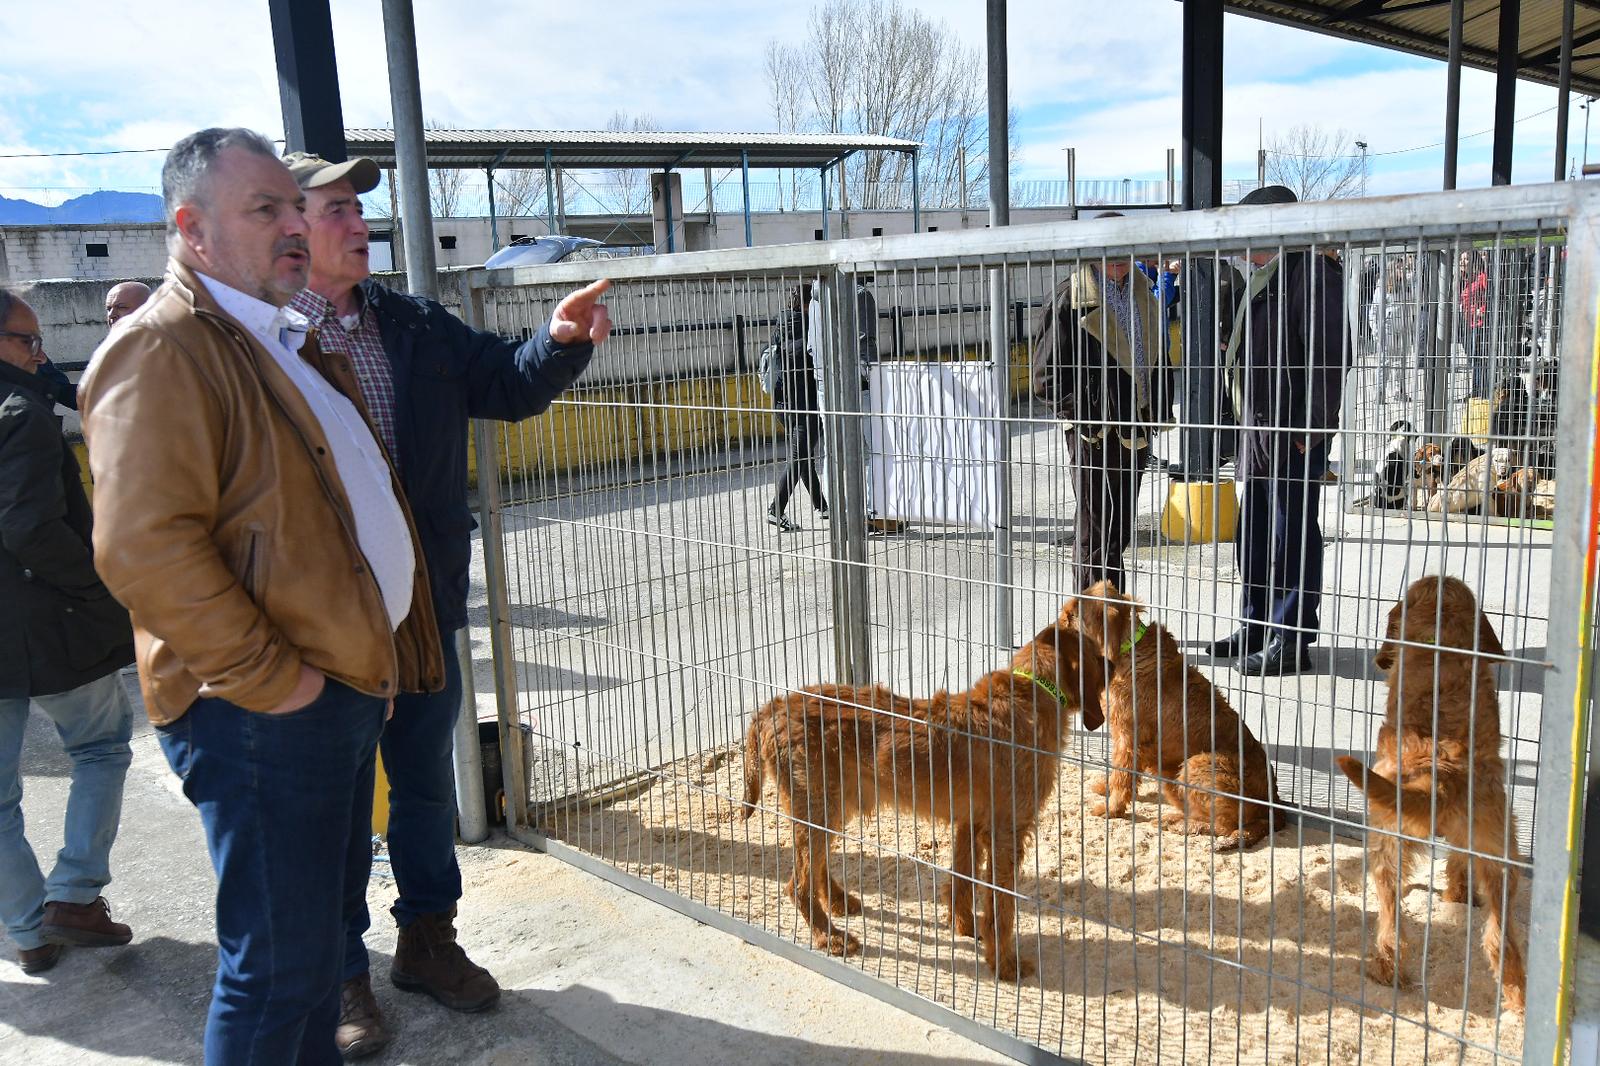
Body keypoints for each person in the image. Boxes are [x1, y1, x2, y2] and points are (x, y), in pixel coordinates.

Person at [79, 127, 453, 1063]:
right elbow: (142, 546)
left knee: (309, 971)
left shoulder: (274, 336)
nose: (296, 226)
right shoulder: (162, 348)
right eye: (266, 209)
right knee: (275, 969)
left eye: (297, 206)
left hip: (327, 695)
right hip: (259, 711)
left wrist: (373, 657)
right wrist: (274, 679)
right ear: (190, 228)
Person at [282, 151, 611, 1058]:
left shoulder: (412, 323)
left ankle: (427, 937)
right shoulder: (264, 340)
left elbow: (505, 383)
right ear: (289, 227)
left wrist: (558, 338)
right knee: (343, 798)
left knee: (423, 780)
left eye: (360, 207)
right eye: (338, 208)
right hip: (322, 615)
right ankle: (342, 966)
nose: (359, 223)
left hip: (421, 600)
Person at [0, 288, 137, 976]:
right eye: (25, 340)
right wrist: (98, 587)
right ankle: (75, 894)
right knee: (102, 747)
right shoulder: (19, 415)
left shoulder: (28, 394)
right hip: (48, 625)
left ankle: (29, 933)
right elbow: (28, 526)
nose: (39, 351)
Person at [1206, 185, 1348, 676]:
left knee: (1291, 536)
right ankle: (1257, 623)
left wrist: (1310, 427)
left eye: (1248, 230)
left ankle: (1288, 639)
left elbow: (1331, 355)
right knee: (1257, 533)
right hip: (1261, 431)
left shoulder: (1311, 272)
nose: (1239, 243)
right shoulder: (1266, 277)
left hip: (1292, 432)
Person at [1030, 222, 1177, 593]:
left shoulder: (1146, 296)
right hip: (1094, 433)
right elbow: (1044, 377)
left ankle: (1112, 616)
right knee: (1094, 535)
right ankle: (1092, 625)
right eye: (1107, 250)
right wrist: (1082, 418)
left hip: (1138, 429)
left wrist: (1156, 408)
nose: (1117, 260)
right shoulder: (1069, 298)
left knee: (1118, 531)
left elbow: (1157, 360)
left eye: (1124, 249)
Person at [767, 282, 827, 532]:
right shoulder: (812, 326)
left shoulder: (781, 325)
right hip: (806, 404)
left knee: (803, 455)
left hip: (783, 403)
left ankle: (821, 505)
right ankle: (775, 509)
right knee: (799, 456)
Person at [1459, 250, 1490, 399]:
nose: (1462, 262)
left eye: (1466, 259)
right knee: (1474, 359)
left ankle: (1479, 392)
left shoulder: (1482, 278)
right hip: (1469, 324)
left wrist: (1481, 310)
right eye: (1461, 259)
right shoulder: (1466, 280)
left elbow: (1492, 297)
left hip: (1480, 324)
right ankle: (1477, 390)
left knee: (1478, 359)